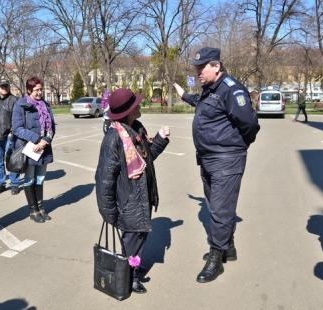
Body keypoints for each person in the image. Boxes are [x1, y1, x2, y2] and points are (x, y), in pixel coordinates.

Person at [173, 47, 260, 283]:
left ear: (216, 66)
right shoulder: (210, 89)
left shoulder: (232, 90)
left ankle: (215, 257)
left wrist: (237, 148)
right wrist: (183, 95)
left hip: (226, 159)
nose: (198, 72)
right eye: (196, 68)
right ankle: (227, 247)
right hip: (207, 157)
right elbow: (200, 102)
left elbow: (250, 124)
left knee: (220, 209)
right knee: (215, 205)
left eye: (202, 67)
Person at [95, 88, 170, 294]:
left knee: (139, 239)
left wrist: (160, 139)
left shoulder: (136, 128)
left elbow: (146, 159)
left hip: (141, 198)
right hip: (128, 202)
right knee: (131, 242)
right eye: (136, 104)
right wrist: (109, 213)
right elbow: (104, 180)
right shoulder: (113, 138)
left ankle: (133, 269)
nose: (140, 105)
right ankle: (129, 277)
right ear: (128, 110)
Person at [12, 76, 55, 223]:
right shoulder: (21, 105)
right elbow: (17, 128)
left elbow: (52, 127)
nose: (39, 92)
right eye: (36, 90)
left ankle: (41, 207)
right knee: (29, 178)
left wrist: (46, 141)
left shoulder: (45, 105)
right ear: (29, 90)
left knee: (40, 178)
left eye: (41, 89)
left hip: (44, 147)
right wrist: (37, 139)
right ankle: (33, 210)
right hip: (29, 148)